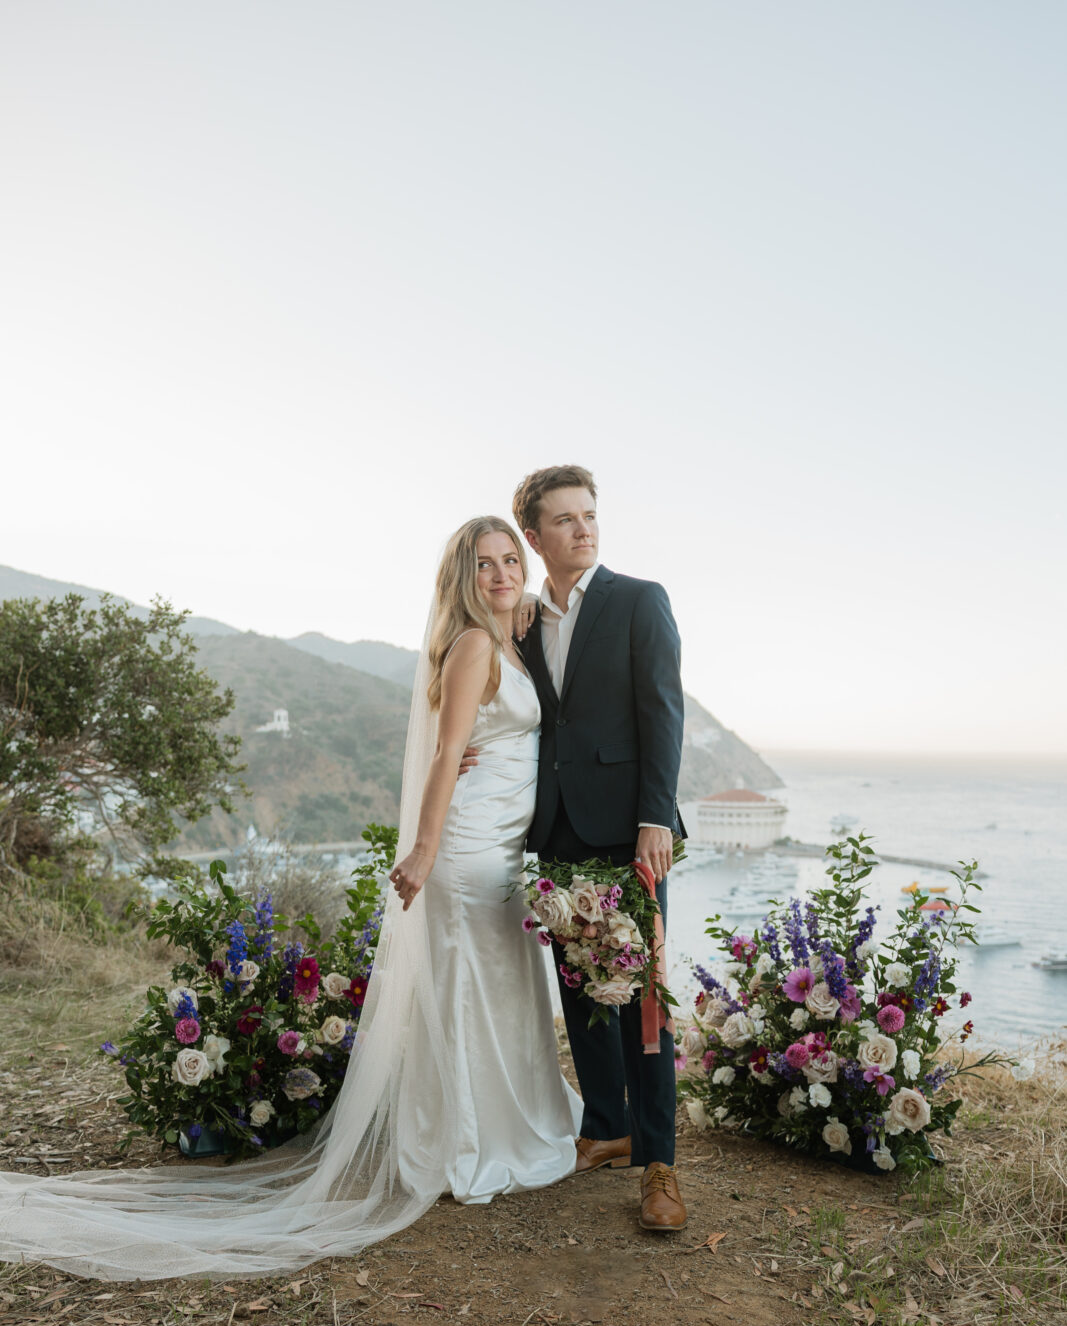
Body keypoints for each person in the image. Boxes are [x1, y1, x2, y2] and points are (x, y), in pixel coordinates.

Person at [0, 517, 580, 1280]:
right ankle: (471, 1143)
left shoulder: (512, 637)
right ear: (461, 579)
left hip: (502, 848)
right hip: (468, 850)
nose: (501, 575)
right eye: (484, 565)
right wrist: (426, 848)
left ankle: (509, 1120)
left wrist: (532, 609)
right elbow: (446, 755)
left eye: (510, 561)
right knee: (474, 993)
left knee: (500, 988)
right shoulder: (476, 646)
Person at [515, 464, 688, 1232]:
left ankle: (660, 1165)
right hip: (555, 829)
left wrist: (656, 817)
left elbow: (662, 711)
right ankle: (605, 1127)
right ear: (533, 535)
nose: (583, 529)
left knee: (643, 1006)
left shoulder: (638, 600)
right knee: (582, 992)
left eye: (589, 515)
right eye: (564, 519)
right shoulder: (522, 620)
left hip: (628, 833)